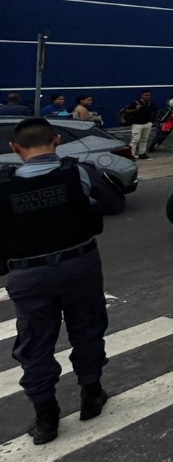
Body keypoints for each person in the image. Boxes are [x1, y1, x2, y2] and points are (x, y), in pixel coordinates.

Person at [1, 117, 126, 444]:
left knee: (35, 344)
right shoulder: (80, 172)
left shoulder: (3, 184)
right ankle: (91, 396)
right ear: (56, 140)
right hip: (80, 266)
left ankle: (46, 418)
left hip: (28, 275)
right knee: (87, 330)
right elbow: (114, 204)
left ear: (15, 149)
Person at [122, 90, 158, 160]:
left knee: (144, 139)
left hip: (147, 124)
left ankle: (142, 153)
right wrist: (136, 109)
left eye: (149, 95)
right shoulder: (135, 103)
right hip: (137, 124)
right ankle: (131, 154)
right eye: (146, 95)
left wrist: (154, 122)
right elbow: (126, 111)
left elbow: (157, 111)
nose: (147, 97)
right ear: (142, 96)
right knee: (135, 140)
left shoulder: (151, 104)